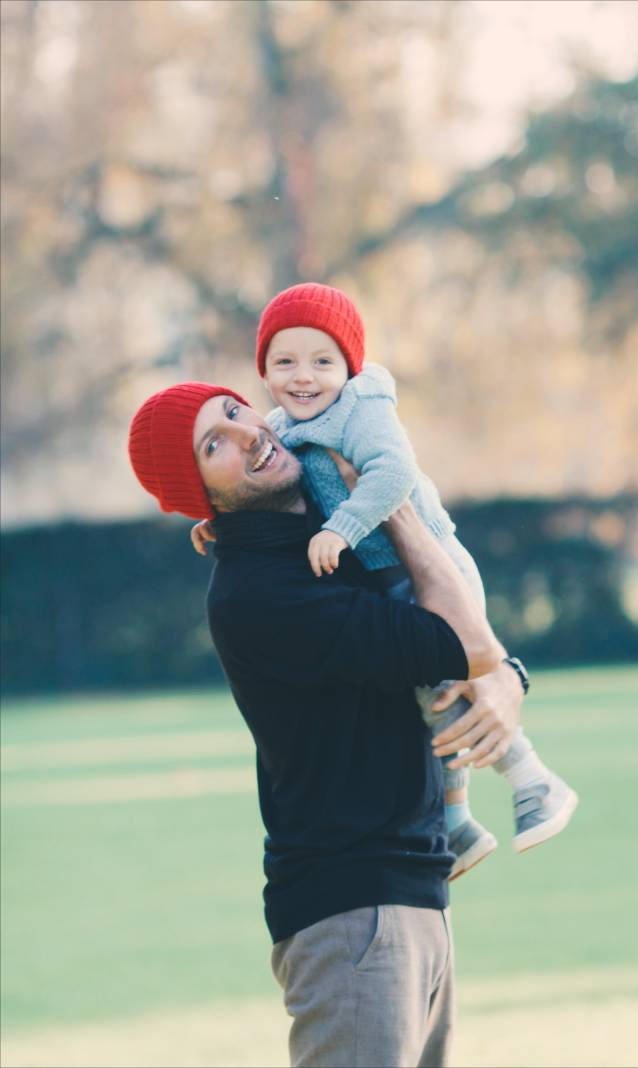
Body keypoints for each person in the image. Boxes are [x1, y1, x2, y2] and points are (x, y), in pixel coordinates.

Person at [128, 381, 525, 1068]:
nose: (247, 432)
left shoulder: (323, 528)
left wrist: (508, 682)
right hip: (353, 920)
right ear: (199, 495)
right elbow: (467, 643)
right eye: (213, 445)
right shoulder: (262, 592)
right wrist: (391, 497)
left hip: (414, 894)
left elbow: (471, 653)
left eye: (231, 411)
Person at [192, 283, 578, 877]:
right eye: (285, 362)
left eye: (323, 362)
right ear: (263, 371)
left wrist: (343, 529)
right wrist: (216, 522)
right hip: (383, 570)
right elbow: (269, 490)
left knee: (445, 686)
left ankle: (533, 781)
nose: (304, 377)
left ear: (349, 364)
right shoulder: (282, 428)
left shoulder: (361, 409)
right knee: (432, 693)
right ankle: (457, 822)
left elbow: (393, 470)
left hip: (429, 561)